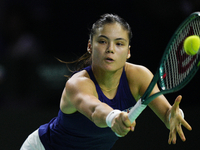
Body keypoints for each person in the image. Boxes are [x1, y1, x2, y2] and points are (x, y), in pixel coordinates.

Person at [20, 13, 192, 150]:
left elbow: (167, 113)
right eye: (103, 41)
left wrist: (174, 116)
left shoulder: (139, 76)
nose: (110, 49)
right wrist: (114, 117)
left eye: (119, 44)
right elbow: (95, 110)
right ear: (90, 46)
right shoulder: (77, 84)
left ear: (128, 52)